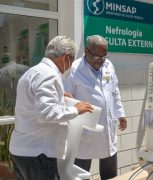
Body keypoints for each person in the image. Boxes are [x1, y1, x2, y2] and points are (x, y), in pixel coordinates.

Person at [9, 36, 94, 180]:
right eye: (72, 60)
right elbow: (45, 113)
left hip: (23, 151)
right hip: (38, 154)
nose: (71, 65)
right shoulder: (49, 75)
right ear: (66, 57)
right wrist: (76, 110)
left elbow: (33, 104)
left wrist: (59, 96)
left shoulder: (32, 72)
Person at [63, 35, 127, 179]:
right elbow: (66, 99)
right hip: (83, 130)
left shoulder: (108, 65)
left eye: (103, 56)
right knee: (81, 173)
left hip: (107, 128)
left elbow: (114, 91)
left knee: (110, 173)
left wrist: (120, 113)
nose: (100, 60)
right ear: (86, 51)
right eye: (96, 56)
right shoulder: (73, 69)